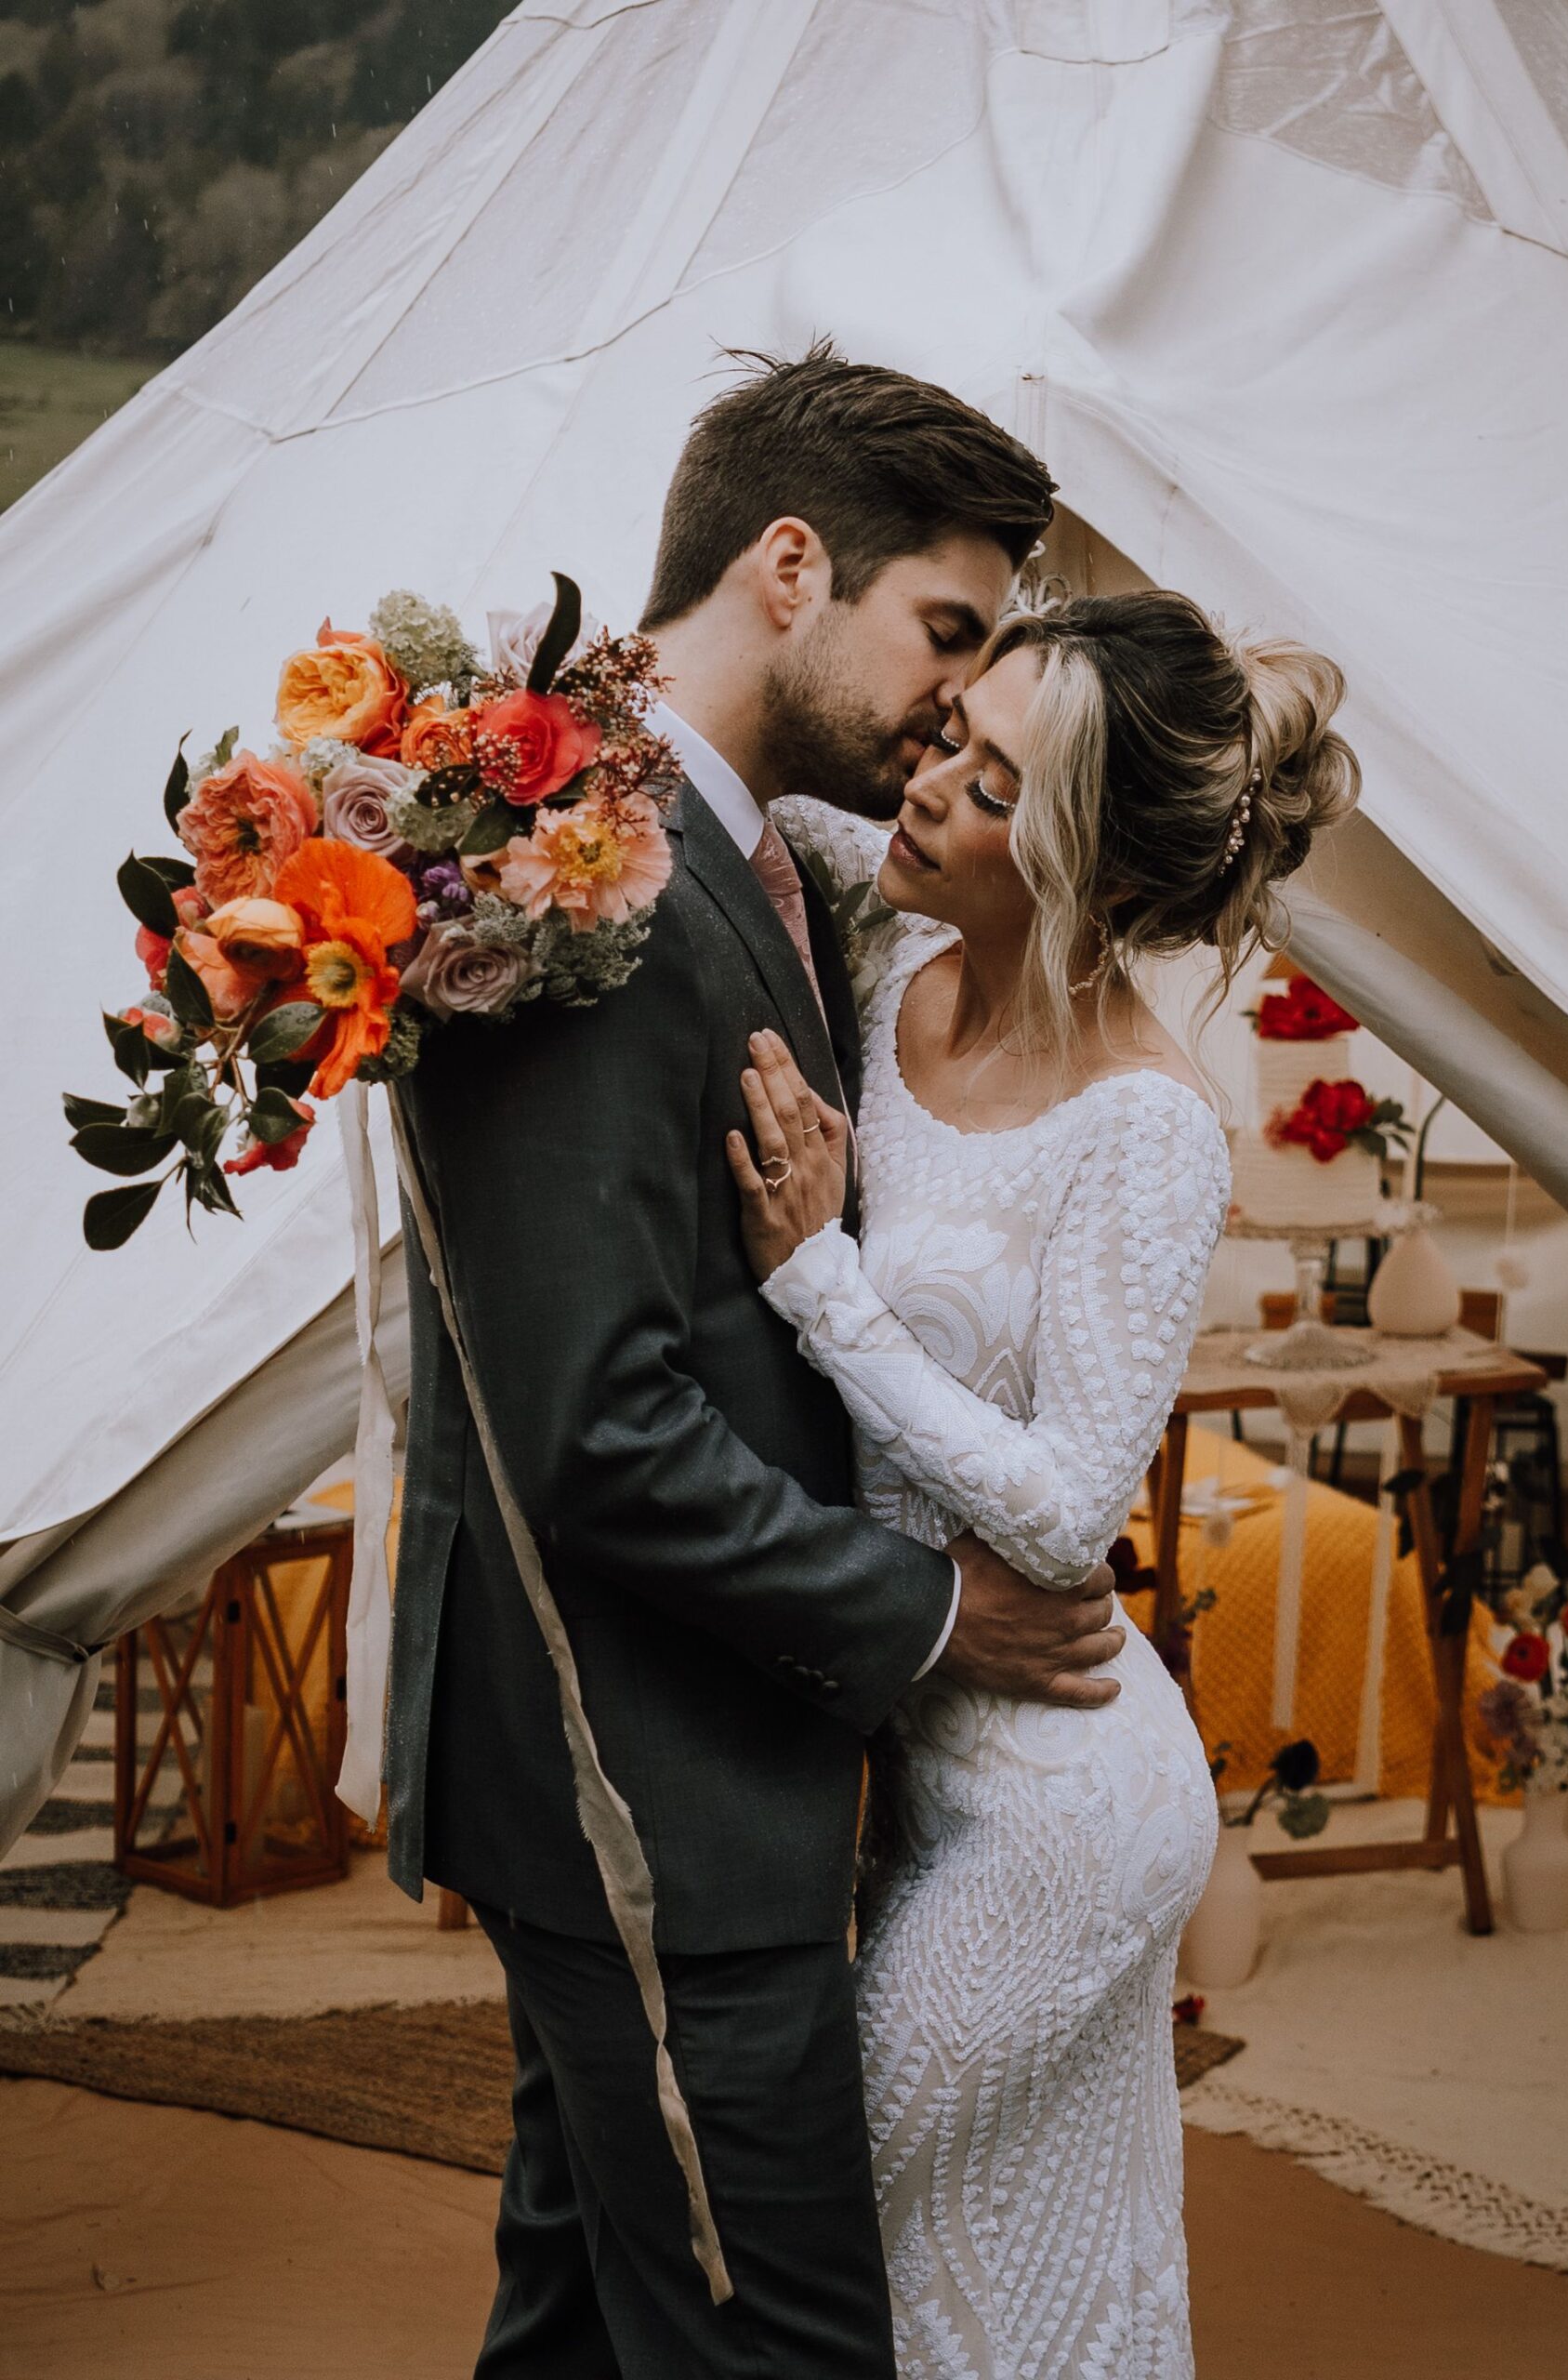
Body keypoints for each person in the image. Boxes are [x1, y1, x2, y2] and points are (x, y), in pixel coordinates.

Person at [385, 347, 1126, 2378]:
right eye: (944, 633)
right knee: (768, 2340)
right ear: (791, 564)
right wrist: (934, 1612)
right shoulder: (582, 881)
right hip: (654, 1783)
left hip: (704, 1756)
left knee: (582, 2322)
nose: (956, 707)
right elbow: (597, 1428)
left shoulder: (751, 860)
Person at [729, 590, 1361, 2376]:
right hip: (930, 1747)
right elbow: (740, 782)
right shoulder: (898, 960)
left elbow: (1070, 1504)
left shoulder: (1146, 1127)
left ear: (1072, 860)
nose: (930, 784)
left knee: (827, 2208)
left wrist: (822, 1293)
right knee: (1004, 2284)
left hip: (1070, 1813)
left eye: (991, 781)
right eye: (952, 735)